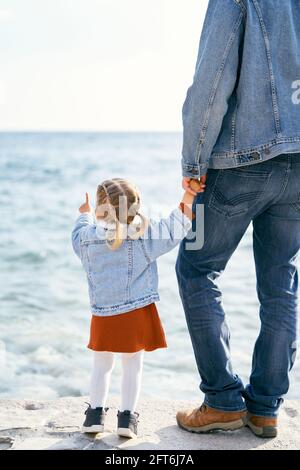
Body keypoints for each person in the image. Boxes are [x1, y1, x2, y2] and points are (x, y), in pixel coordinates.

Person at [176, 0, 300, 438]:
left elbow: (212, 79)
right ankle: (265, 408)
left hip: (240, 160)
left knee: (195, 266)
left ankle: (223, 400)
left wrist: (193, 165)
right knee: (280, 278)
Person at [71, 178, 203, 438]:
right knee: (133, 366)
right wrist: (188, 197)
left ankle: (94, 416)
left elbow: (77, 235)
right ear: (135, 207)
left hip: (103, 314)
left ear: (101, 208)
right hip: (136, 314)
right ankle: (126, 420)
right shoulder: (144, 238)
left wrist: (83, 215)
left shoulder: (87, 240)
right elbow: (175, 226)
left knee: (101, 365)